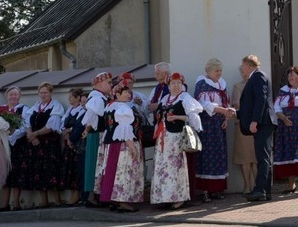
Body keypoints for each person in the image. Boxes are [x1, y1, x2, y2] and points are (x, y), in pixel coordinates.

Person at [151, 72, 203, 209]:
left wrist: (176, 118)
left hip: (176, 138)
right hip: (163, 138)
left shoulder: (185, 98)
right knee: (163, 168)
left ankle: (179, 198)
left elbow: (191, 117)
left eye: (178, 83)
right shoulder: (165, 99)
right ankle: (164, 197)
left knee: (176, 168)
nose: (176, 86)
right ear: (168, 86)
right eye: (173, 83)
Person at [194, 58, 236, 202]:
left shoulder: (221, 85)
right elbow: (203, 104)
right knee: (207, 155)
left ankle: (216, 189)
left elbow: (226, 102)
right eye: (216, 70)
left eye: (220, 70)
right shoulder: (202, 85)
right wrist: (222, 110)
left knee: (219, 154)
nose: (219, 73)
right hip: (207, 124)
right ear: (208, 71)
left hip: (219, 123)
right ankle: (205, 190)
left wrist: (226, 118)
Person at [100, 80, 144, 212]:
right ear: (116, 94)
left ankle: (114, 200)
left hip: (113, 145)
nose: (128, 94)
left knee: (115, 171)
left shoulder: (110, 106)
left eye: (128, 92)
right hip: (123, 147)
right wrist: (132, 147)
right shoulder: (123, 108)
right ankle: (122, 200)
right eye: (125, 92)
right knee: (124, 172)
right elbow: (125, 130)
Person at [238, 55, 277, 202]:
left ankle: (260, 190)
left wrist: (255, 121)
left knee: (263, 157)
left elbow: (261, 99)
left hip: (263, 122)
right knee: (264, 157)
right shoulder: (256, 77)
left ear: (248, 65)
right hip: (263, 122)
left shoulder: (258, 76)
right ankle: (265, 191)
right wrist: (235, 113)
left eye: (243, 66)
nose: (242, 69)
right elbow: (251, 104)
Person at [21, 82, 65, 208]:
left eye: (45, 92)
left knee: (52, 170)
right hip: (36, 144)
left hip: (49, 144)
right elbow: (27, 122)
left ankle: (57, 200)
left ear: (50, 93)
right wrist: (31, 135)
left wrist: (35, 134)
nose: (43, 95)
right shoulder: (36, 106)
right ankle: (43, 200)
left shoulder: (55, 106)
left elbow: (52, 125)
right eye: (41, 92)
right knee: (38, 171)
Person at [273, 66, 298, 193]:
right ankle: (291, 184)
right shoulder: (283, 91)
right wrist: (282, 117)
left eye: (295, 75)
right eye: (290, 75)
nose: (292, 77)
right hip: (286, 125)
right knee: (289, 152)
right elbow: (276, 106)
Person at [81, 72, 113, 207]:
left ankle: (96, 194)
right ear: (99, 84)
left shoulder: (101, 97)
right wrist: (87, 129)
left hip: (99, 134)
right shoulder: (97, 98)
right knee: (95, 163)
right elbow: (90, 117)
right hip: (97, 135)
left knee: (98, 164)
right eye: (108, 82)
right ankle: (92, 196)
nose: (111, 85)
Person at [1, 86, 28, 211]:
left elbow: (24, 127)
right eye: (10, 94)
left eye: (15, 94)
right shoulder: (1, 110)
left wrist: (12, 134)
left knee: (17, 174)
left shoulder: (24, 109)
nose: (13, 97)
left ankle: (16, 203)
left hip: (18, 145)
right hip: (3, 146)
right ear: (7, 96)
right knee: (4, 174)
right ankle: (4, 204)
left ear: (19, 96)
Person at [231, 66, 257, 194]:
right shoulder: (237, 86)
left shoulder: (258, 84)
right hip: (243, 125)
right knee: (245, 158)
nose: (244, 73)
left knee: (256, 157)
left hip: (257, 125)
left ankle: (257, 185)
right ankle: (247, 186)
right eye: (241, 71)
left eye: (246, 70)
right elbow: (237, 105)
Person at [59, 88, 85, 205]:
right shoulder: (70, 110)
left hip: (77, 143)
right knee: (69, 169)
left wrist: (70, 134)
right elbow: (62, 124)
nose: (68, 98)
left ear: (78, 97)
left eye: (71, 96)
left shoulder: (82, 110)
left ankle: (77, 195)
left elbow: (80, 126)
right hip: (68, 143)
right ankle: (73, 194)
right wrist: (64, 133)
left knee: (76, 169)